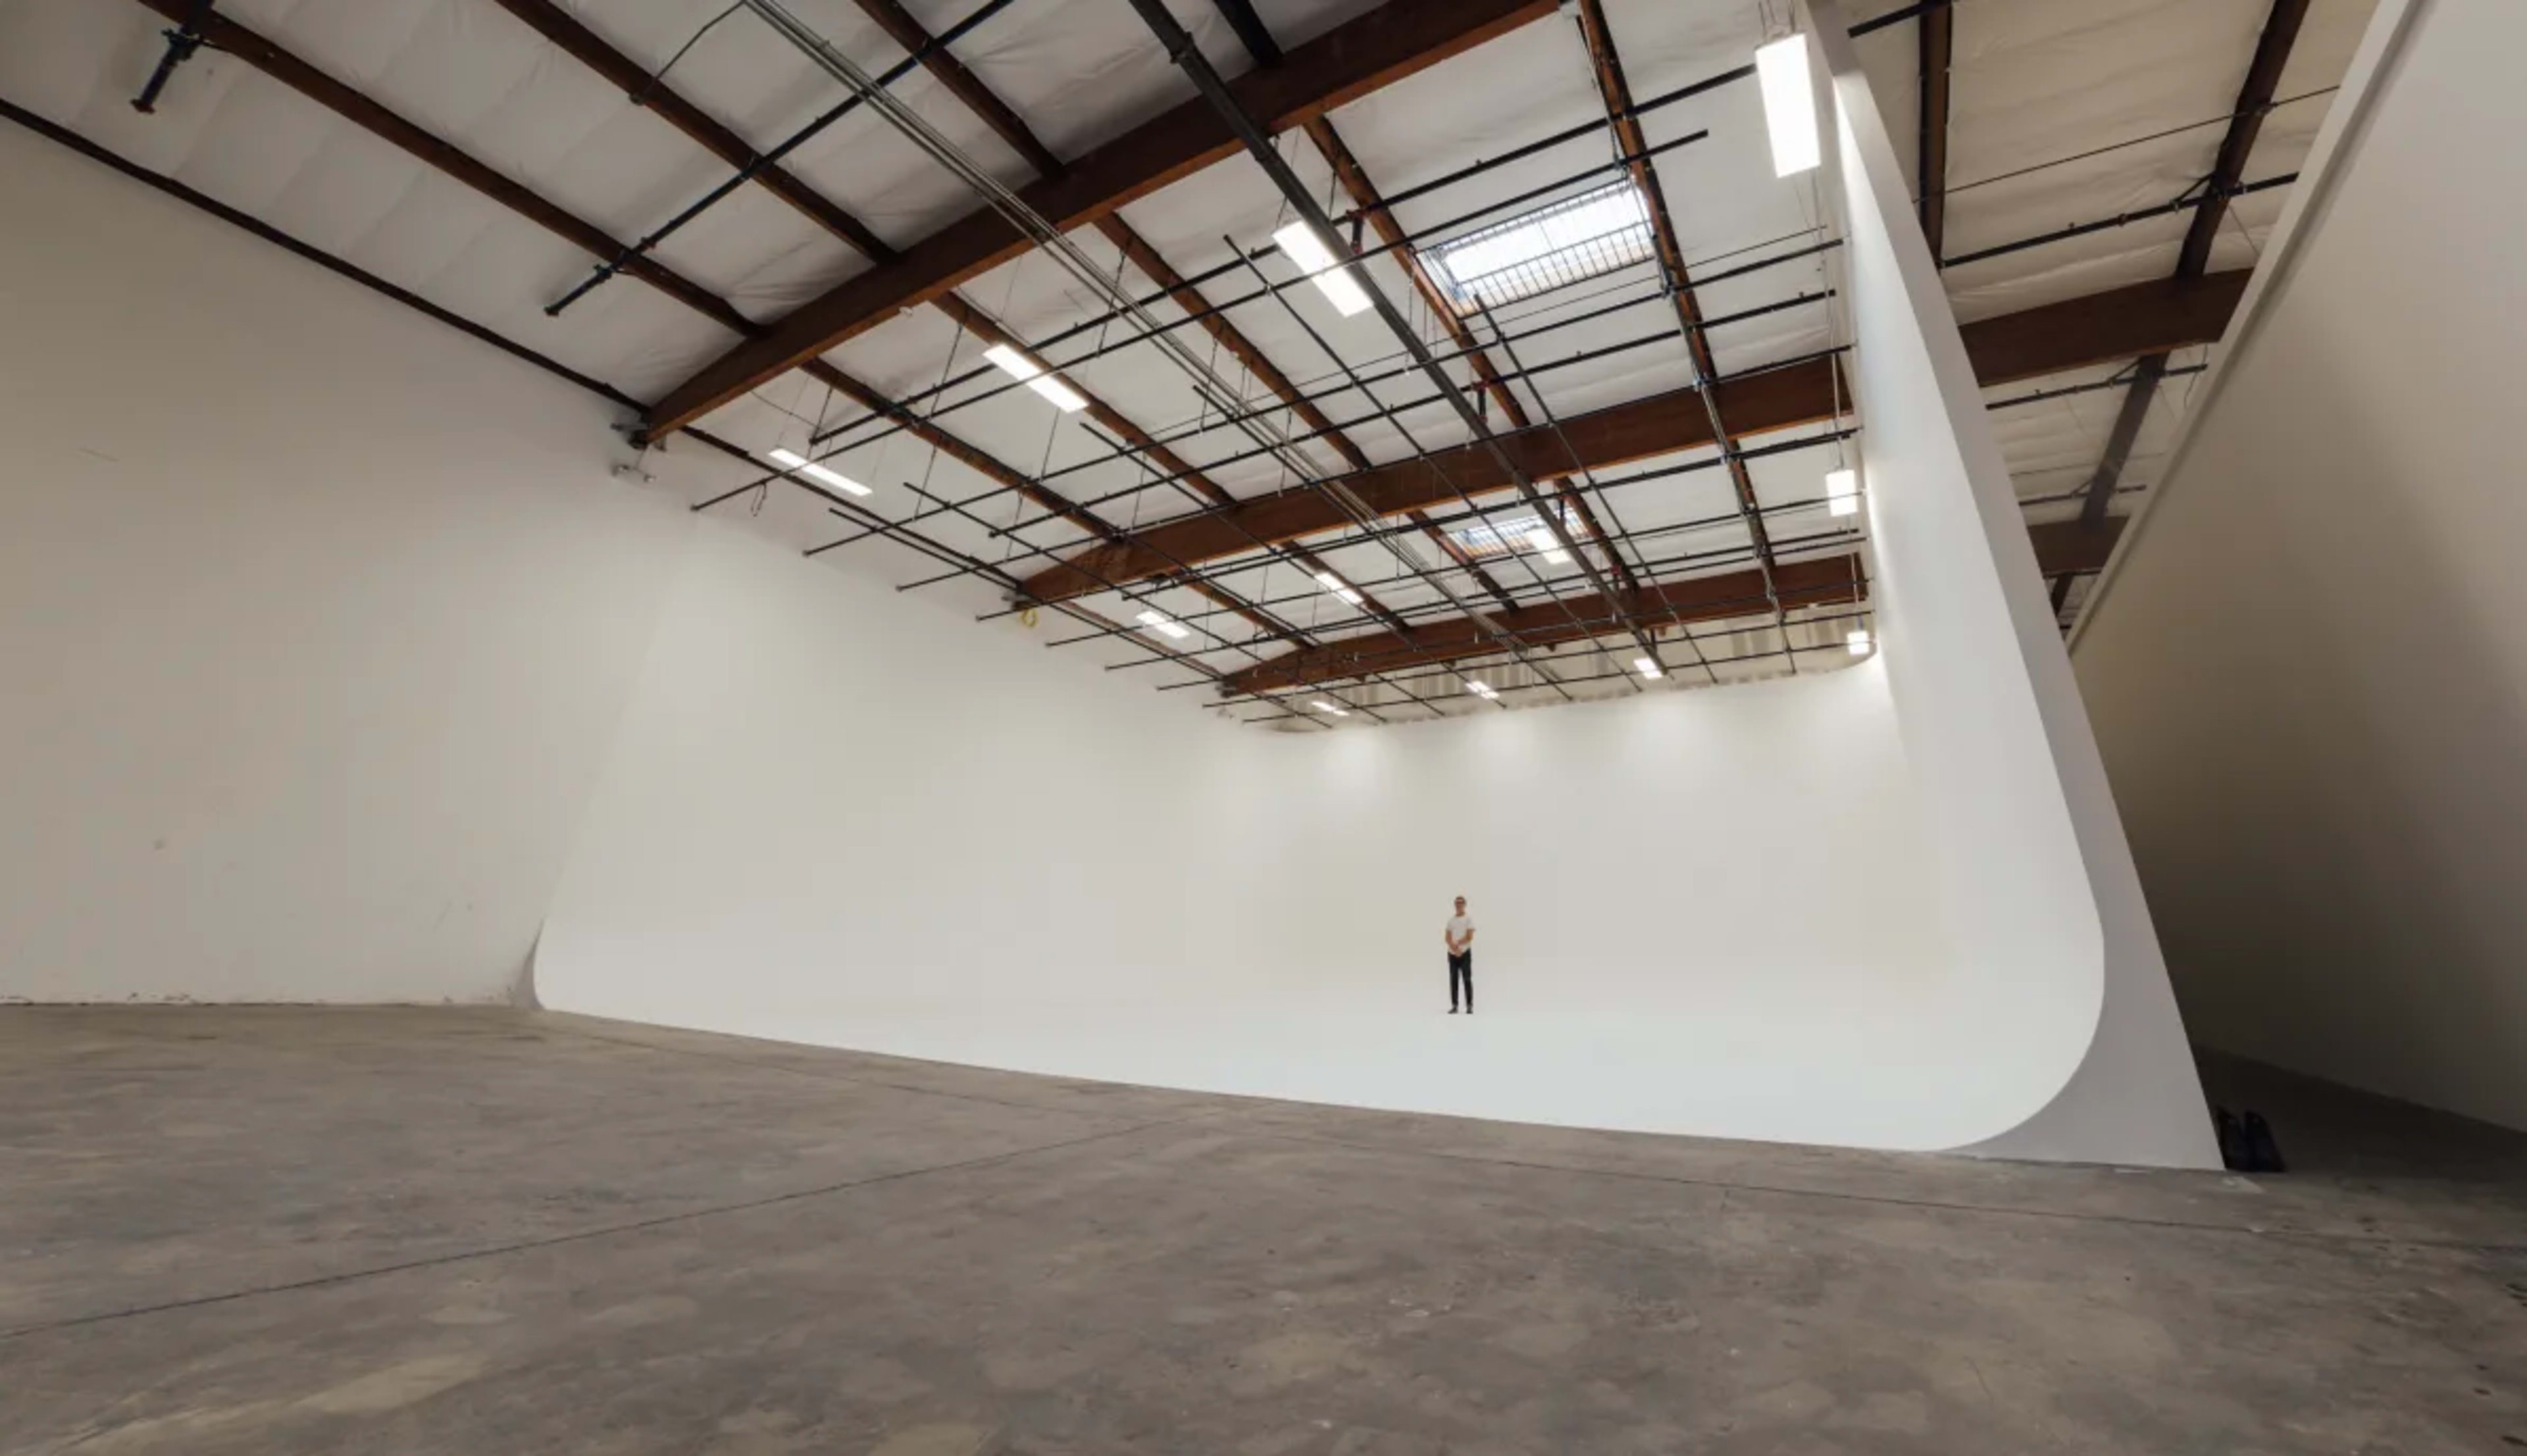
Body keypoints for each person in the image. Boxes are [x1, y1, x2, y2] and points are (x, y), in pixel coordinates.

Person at [1444, 896, 1475, 1015]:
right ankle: (1455, 1005)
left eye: (1461, 904)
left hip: (1465, 953)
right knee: (1454, 980)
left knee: (1467, 979)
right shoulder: (1451, 921)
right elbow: (1447, 937)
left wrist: (1458, 945)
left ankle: (1469, 1005)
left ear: (1465, 905)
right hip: (1452, 954)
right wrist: (1454, 948)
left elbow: (1470, 936)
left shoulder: (1469, 919)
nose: (1459, 906)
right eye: (1457, 904)